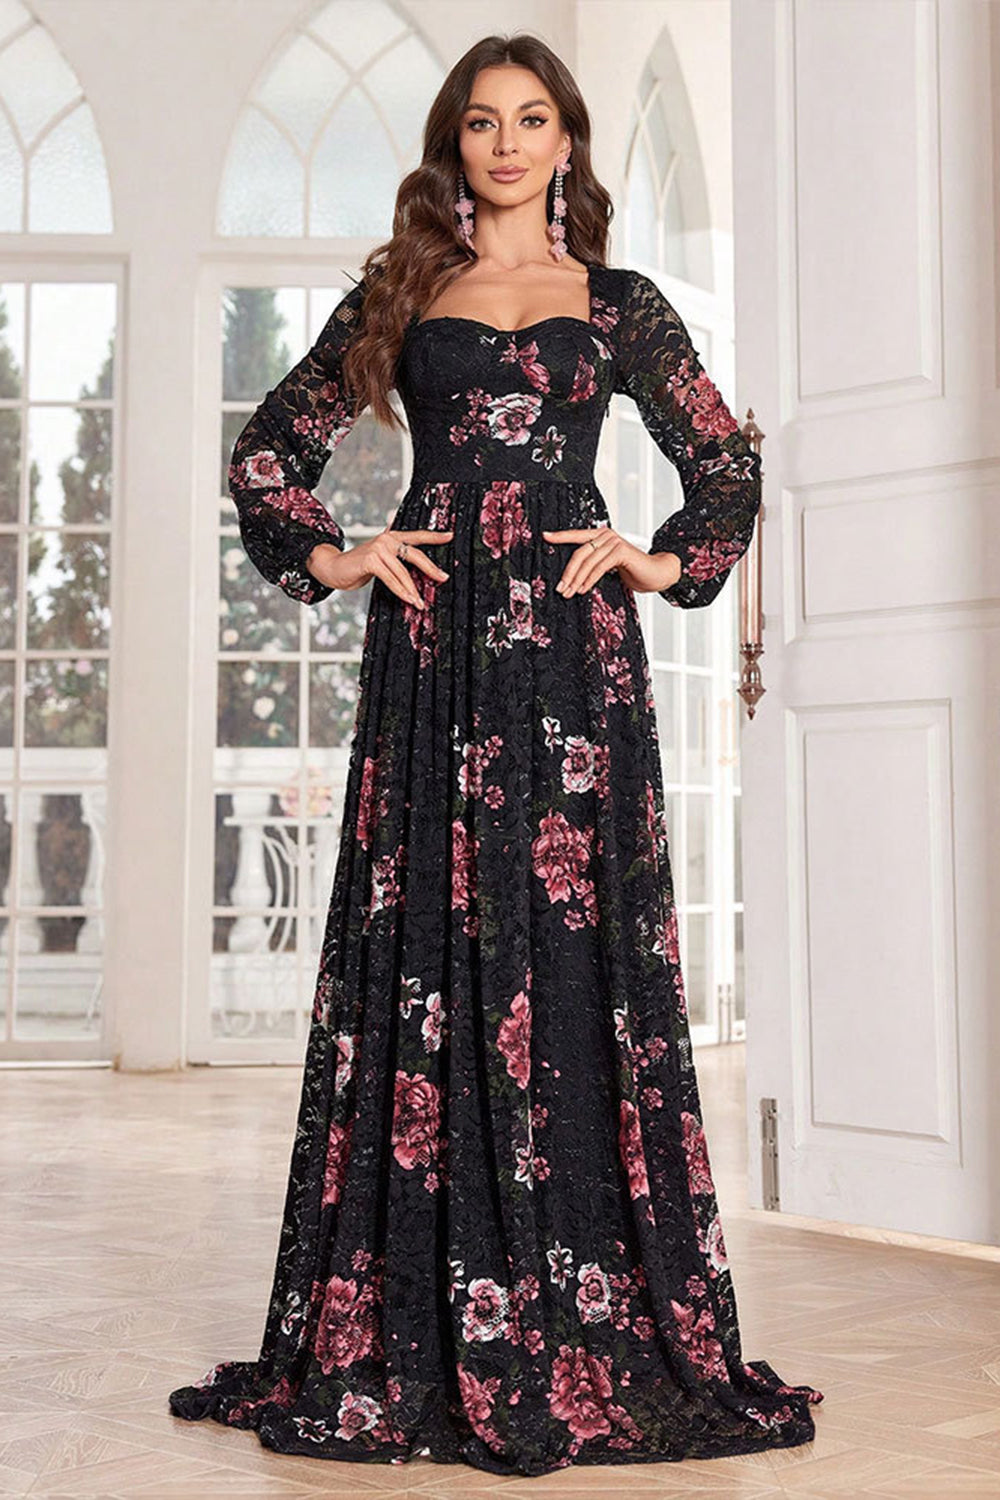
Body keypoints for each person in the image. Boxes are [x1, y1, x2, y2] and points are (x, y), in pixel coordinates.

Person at [168, 31, 823, 1478]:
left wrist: (656, 562)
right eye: (483, 122)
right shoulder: (406, 290)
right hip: (435, 657)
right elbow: (269, 449)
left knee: (578, 952)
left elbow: (727, 463)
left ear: (568, 141)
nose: (509, 143)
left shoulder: (621, 304)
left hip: (577, 668)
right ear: (456, 145)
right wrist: (341, 555)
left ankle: (585, 1304)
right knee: (426, 944)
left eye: (533, 119)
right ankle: (419, 1301)